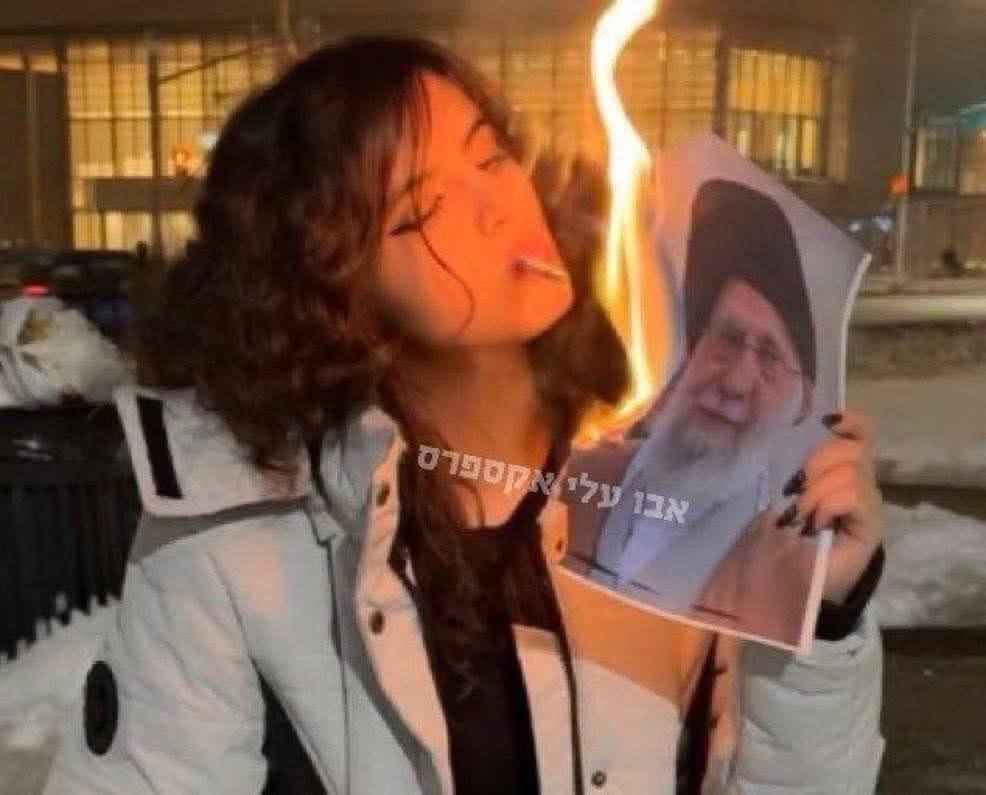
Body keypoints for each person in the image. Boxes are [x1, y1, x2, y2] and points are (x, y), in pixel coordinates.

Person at [44, 36, 885, 794]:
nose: (497, 206)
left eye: (489, 157)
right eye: (421, 209)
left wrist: (824, 613)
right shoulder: (233, 540)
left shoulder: (665, 485)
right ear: (334, 286)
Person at [565, 179, 827, 641]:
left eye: (770, 357)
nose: (735, 382)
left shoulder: (789, 561)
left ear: (803, 401)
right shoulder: (576, 474)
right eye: (726, 338)